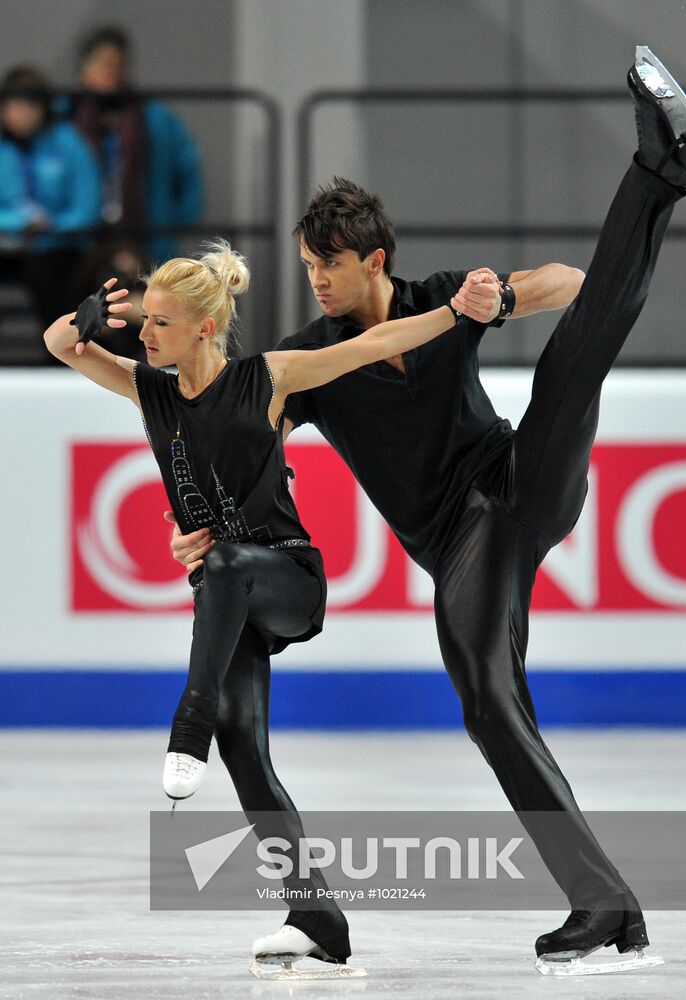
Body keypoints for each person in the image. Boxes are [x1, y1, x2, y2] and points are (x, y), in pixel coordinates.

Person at [169, 48, 686, 973]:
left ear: (373, 261)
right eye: (309, 265)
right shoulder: (315, 355)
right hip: (458, 544)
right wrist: (211, 520)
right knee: (487, 701)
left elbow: (569, 287)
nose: (315, 281)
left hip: (519, 481)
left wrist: (498, 296)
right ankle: (605, 905)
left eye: (329, 266)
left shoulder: (438, 303)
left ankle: (659, 172)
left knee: (572, 362)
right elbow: (243, 431)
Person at [43, 238, 473, 973]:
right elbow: (61, 347)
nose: (145, 337)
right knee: (247, 752)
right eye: (143, 321)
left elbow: (376, 341)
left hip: (288, 580)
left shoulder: (265, 378)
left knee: (229, 562)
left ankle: (190, 721)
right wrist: (81, 322)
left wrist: (456, 314)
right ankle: (315, 915)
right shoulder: (150, 389)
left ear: (205, 328)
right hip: (225, 596)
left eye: (160, 324)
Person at [70, 25, 203, 262]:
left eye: (116, 64)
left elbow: (188, 172)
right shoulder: (65, 119)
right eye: (101, 63)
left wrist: (176, 224)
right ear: (84, 68)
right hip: (79, 240)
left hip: (147, 236)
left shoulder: (156, 119)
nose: (109, 72)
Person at [0, 66, 100, 331]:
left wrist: (51, 225)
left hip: (58, 244)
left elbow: (87, 207)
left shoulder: (68, 142)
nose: (23, 113)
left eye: (31, 105)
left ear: (44, 108)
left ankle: (59, 355)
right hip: (8, 242)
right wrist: (20, 221)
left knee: (48, 272)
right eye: (15, 105)